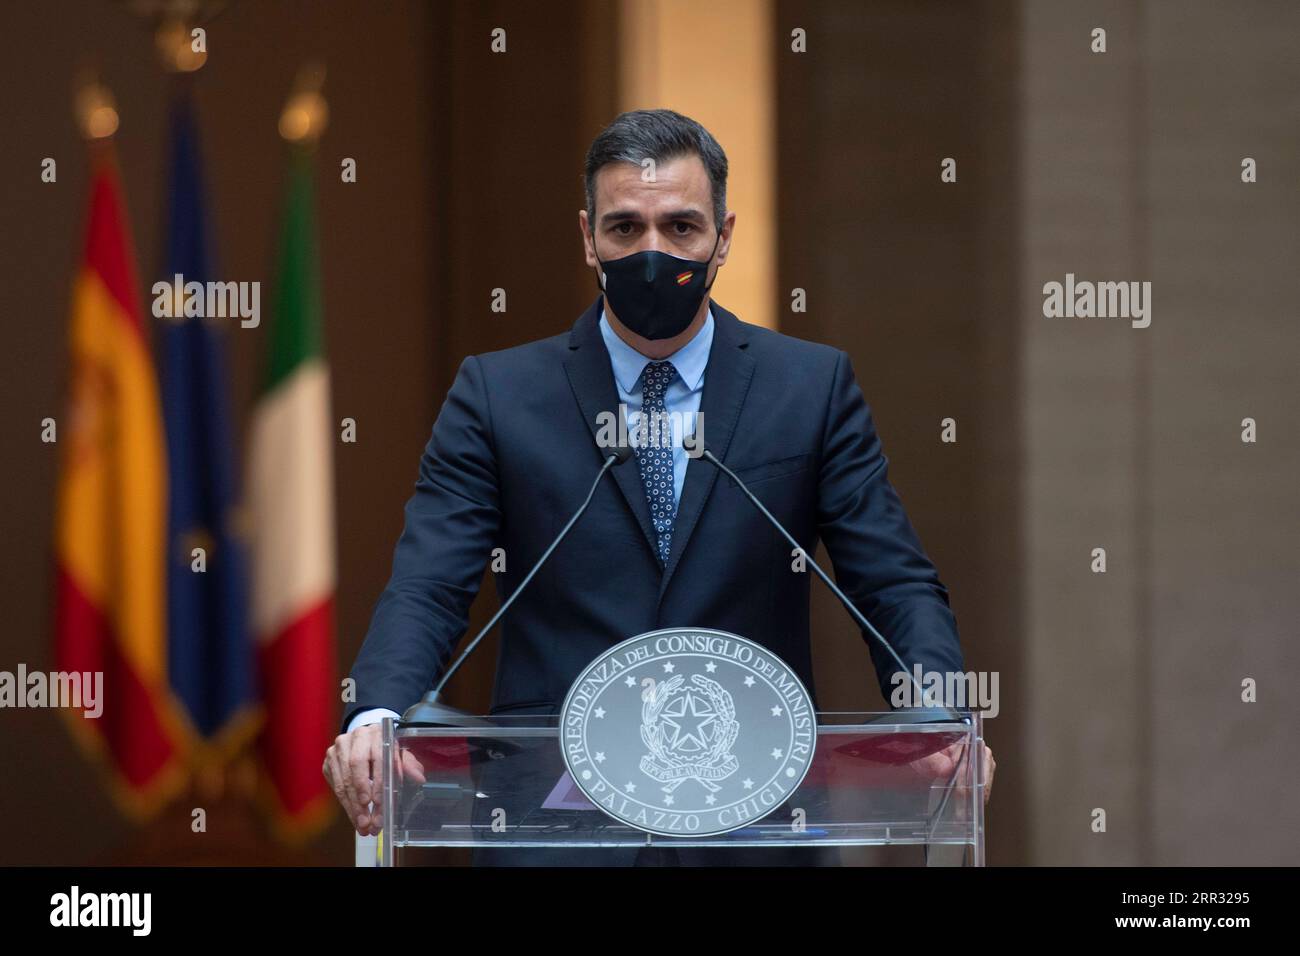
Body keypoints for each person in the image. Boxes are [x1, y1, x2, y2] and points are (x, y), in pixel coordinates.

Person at [323, 108, 994, 865]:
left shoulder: (808, 388)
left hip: (754, 820)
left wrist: (937, 711)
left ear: (724, 236)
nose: (653, 252)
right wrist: (377, 712)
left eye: (680, 227)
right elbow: (428, 584)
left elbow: (893, 579)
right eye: (624, 228)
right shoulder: (498, 395)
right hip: (554, 824)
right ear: (587, 237)